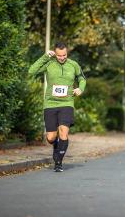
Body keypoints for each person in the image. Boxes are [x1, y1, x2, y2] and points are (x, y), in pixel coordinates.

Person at [28, 42, 86, 172]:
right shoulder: (49, 63)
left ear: (67, 53)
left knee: (63, 132)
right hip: (50, 104)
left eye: (64, 55)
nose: (62, 58)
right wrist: (45, 57)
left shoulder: (73, 64)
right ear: (55, 53)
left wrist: (80, 88)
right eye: (59, 55)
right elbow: (31, 71)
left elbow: (82, 78)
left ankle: (58, 162)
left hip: (67, 103)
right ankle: (56, 145)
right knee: (50, 138)